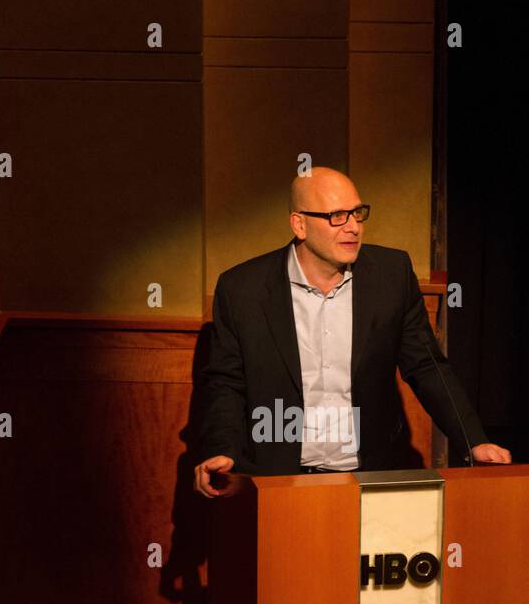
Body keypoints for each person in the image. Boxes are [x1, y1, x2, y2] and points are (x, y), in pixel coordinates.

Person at [194, 168, 510, 498]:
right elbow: (225, 382)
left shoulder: (391, 275)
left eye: (357, 213)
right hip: (278, 480)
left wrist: (474, 440)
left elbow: (427, 366)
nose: (353, 227)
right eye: (337, 216)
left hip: (368, 475)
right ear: (299, 224)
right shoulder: (242, 289)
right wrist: (222, 448)